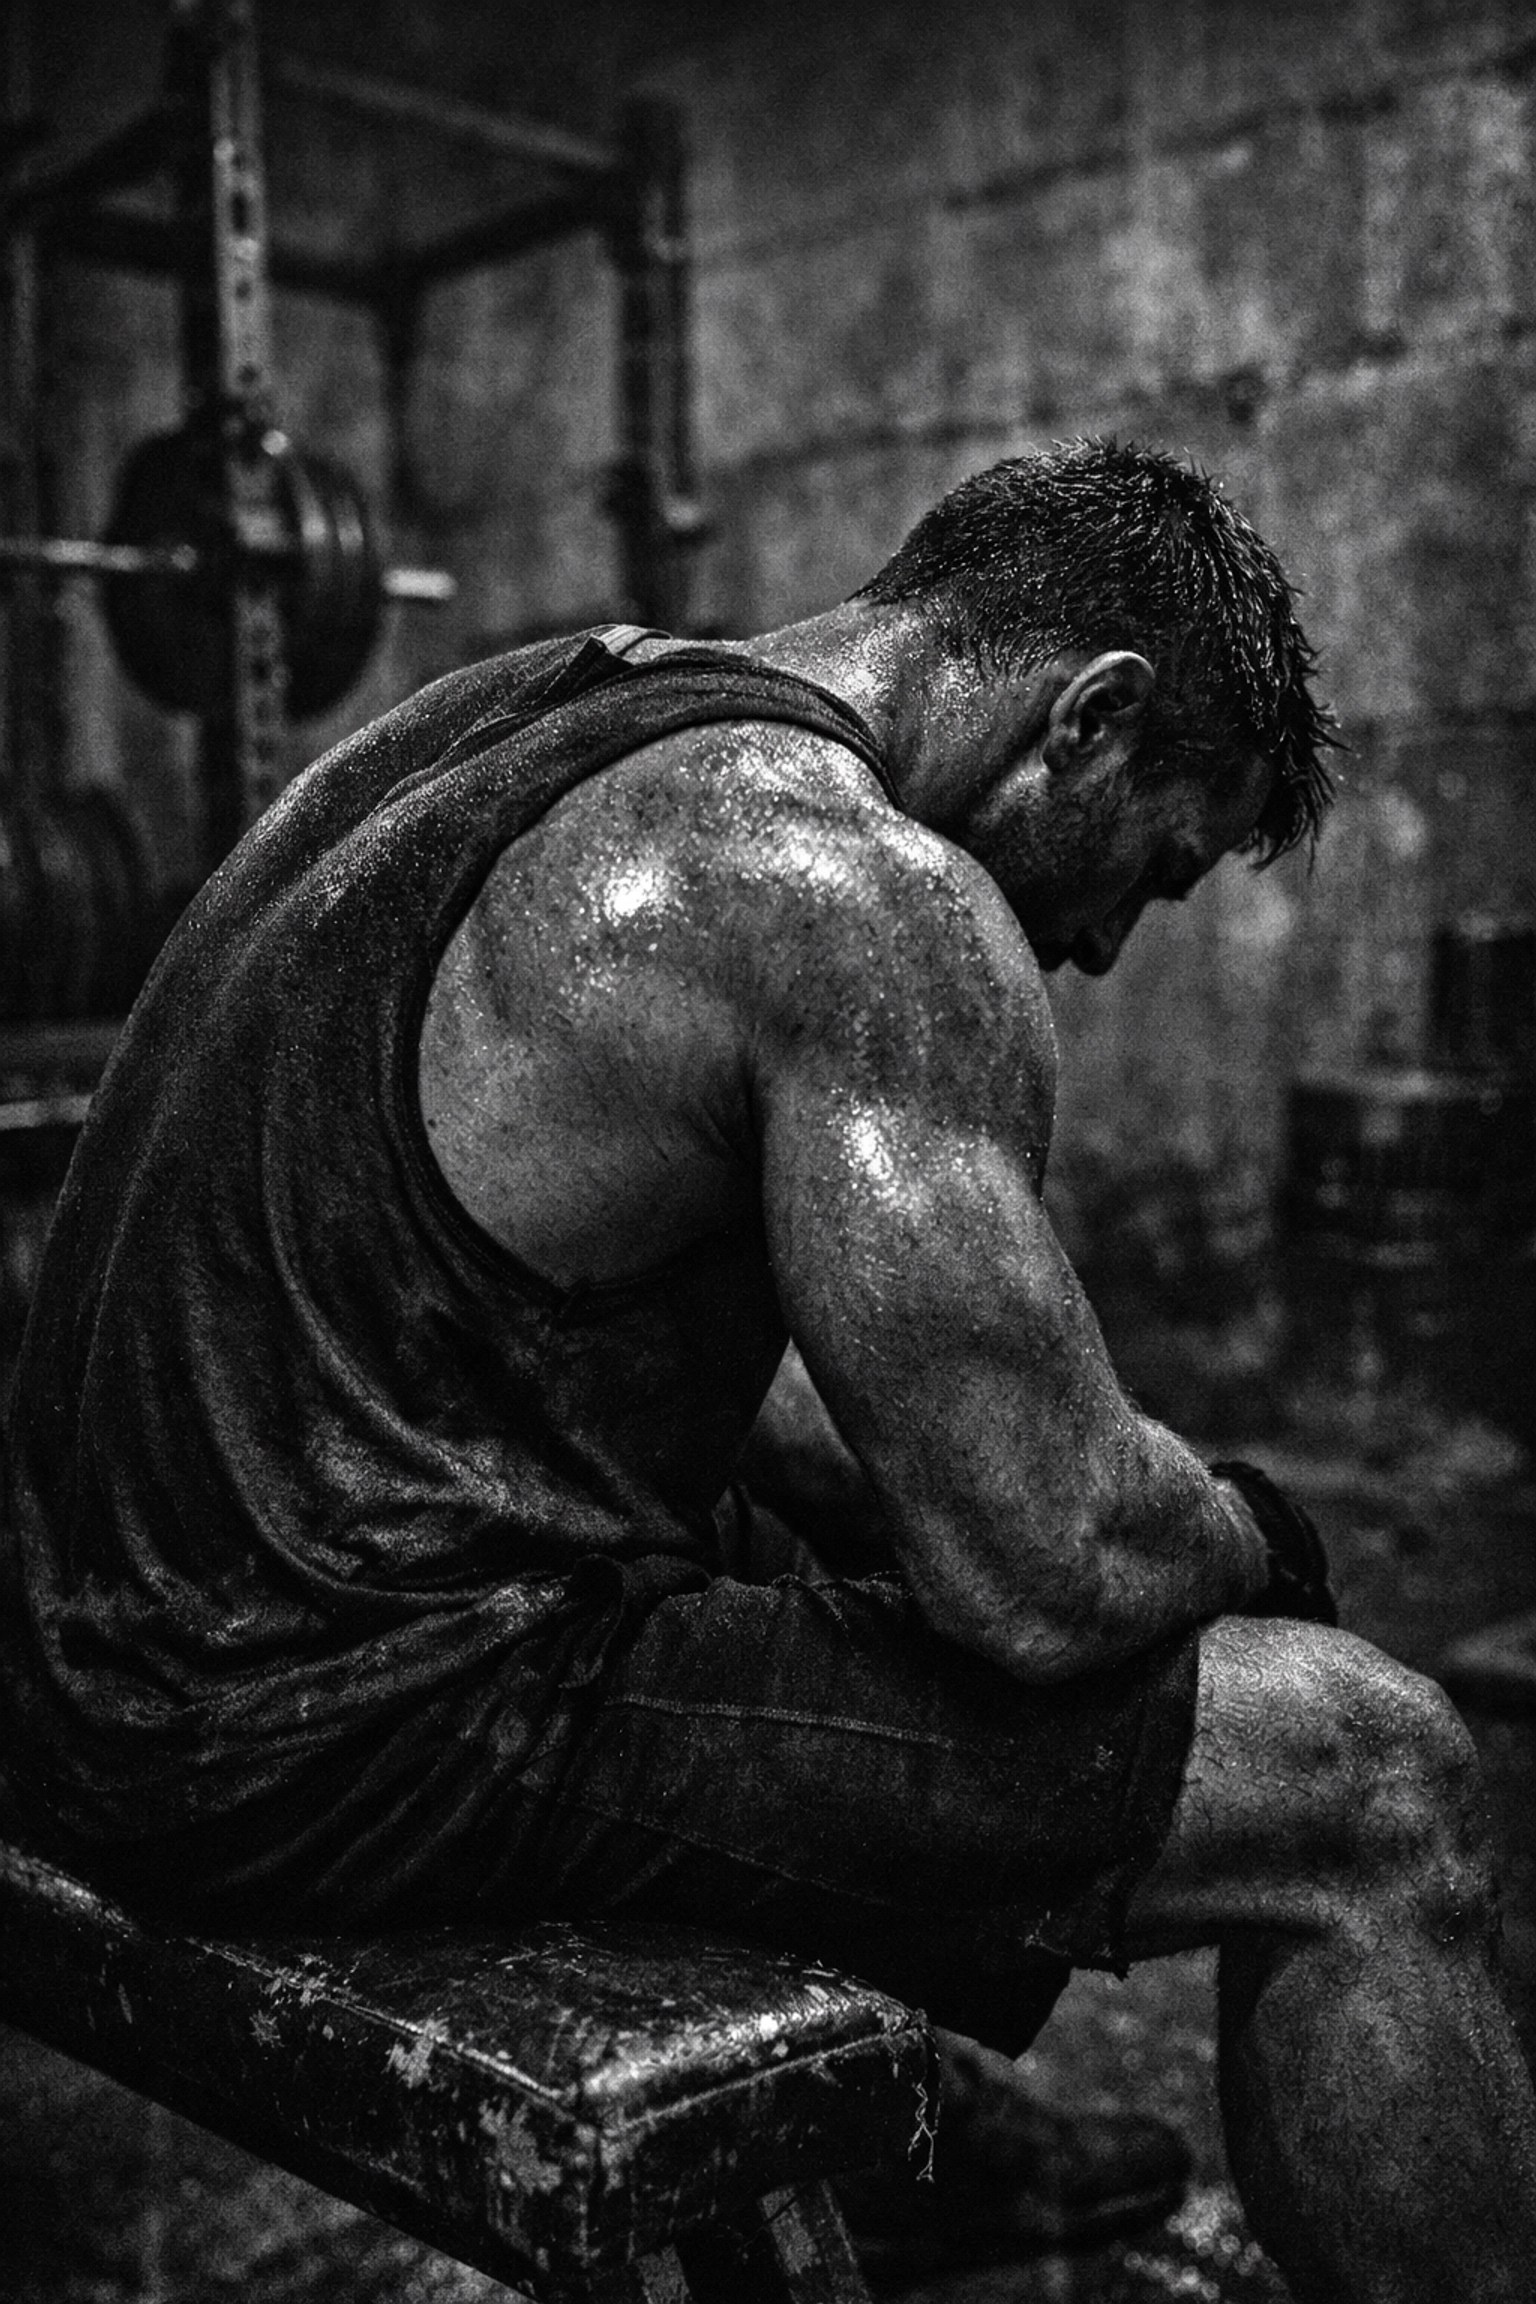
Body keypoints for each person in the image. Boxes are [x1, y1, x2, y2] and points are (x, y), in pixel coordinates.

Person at [2, 440, 1534, 2302]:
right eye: (1155, 866)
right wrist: (1240, 1531)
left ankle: (925, 2151)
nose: (1111, 947)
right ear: (1091, 720)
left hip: (96, 1669)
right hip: (322, 1735)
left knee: (814, 1531)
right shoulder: (855, 894)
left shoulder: (546, 709)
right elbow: (1039, 1572)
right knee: (1376, 1777)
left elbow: (700, 1384)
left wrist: (936, 1492)